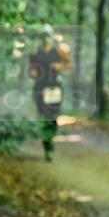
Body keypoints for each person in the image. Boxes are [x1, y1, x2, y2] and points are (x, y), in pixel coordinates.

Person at [29, 24, 72, 162]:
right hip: (40, 87)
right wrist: (33, 73)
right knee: (43, 116)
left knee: (52, 116)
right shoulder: (35, 53)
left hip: (54, 87)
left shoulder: (59, 51)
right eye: (43, 36)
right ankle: (46, 144)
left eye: (47, 35)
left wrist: (60, 66)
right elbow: (31, 70)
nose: (45, 39)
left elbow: (69, 64)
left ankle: (50, 145)